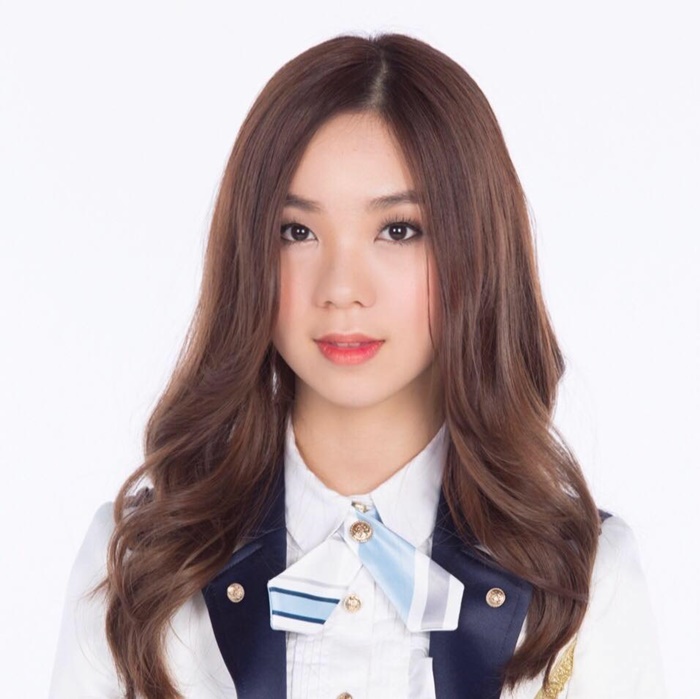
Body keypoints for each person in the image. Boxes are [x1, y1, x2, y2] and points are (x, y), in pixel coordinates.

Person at [49, 32, 665, 699]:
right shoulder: (139, 564)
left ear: (476, 248)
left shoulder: (582, 580)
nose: (342, 288)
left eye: (398, 230)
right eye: (298, 232)